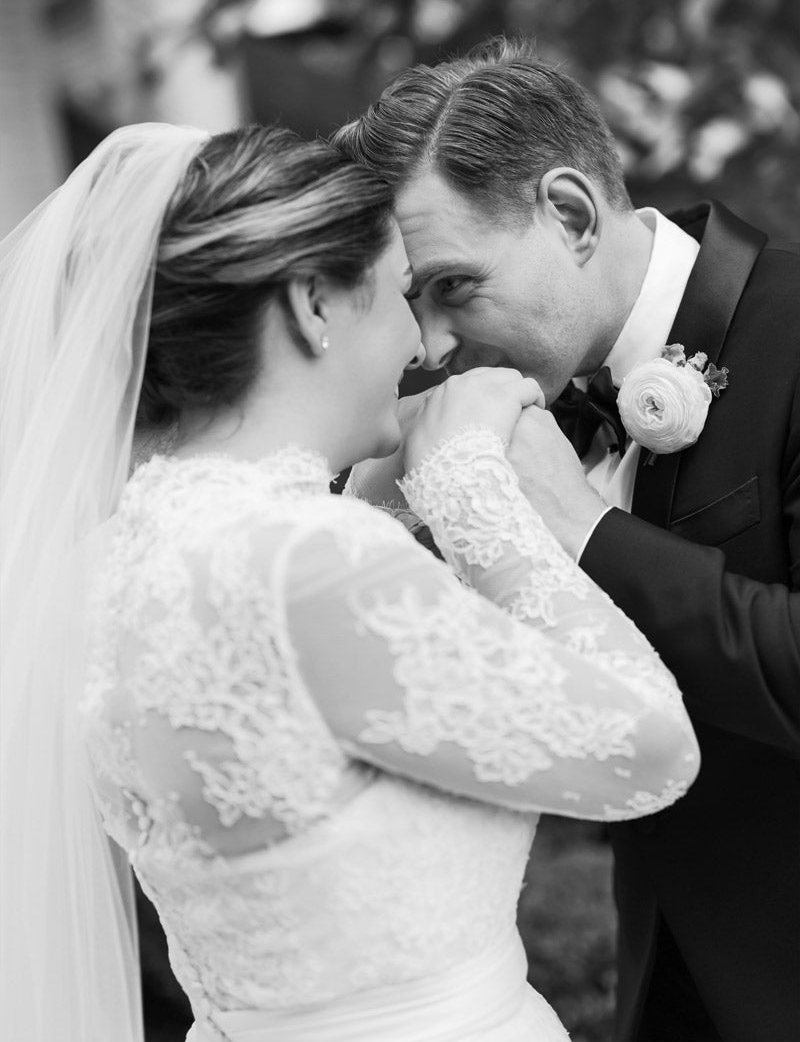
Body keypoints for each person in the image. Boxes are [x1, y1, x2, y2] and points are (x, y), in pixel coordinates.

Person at [0, 120, 699, 1042]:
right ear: (313, 306)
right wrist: (470, 488)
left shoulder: (111, 559)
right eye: (400, 291)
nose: (424, 338)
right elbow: (650, 748)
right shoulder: (309, 560)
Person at [333, 36, 800, 1042]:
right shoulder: (534, 403)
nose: (435, 343)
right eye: (412, 303)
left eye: (453, 284)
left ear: (570, 214)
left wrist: (582, 526)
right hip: (659, 980)